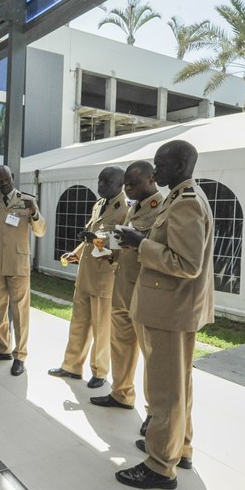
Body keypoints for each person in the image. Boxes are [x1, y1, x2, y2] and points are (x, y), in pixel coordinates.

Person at [114, 140, 214, 490]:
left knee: (165, 393)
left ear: (182, 165)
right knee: (177, 387)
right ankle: (178, 448)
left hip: (171, 310)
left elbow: (186, 264)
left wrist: (140, 244)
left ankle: (160, 465)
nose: (155, 173)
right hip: (172, 308)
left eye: (161, 165)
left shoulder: (186, 203)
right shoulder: (180, 198)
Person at [91, 161, 162, 423]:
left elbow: (156, 249)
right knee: (120, 346)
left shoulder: (162, 207)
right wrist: (106, 248)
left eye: (133, 184)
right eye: (126, 185)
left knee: (150, 357)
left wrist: (136, 242)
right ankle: (121, 393)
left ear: (151, 179)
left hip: (145, 291)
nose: (128, 189)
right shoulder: (135, 207)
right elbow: (126, 244)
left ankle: (154, 413)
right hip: (122, 285)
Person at [49, 166, 128, 388]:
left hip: (105, 279)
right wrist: (75, 253)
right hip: (85, 275)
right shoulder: (99, 204)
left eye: (106, 182)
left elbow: (122, 243)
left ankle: (100, 372)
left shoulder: (125, 210)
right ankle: (71, 366)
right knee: (79, 323)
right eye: (100, 180)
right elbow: (90, 236)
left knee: (102, 329)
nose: (100, 185)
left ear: (120, 185)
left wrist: (97, 240)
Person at [0, 165, 47, 377]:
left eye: (6, 179)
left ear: (12, 177)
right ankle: (3, 347)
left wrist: (34, 212)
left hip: (17, 265)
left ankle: (20, 355)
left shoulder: (27, 200)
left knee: (20, 312)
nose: (3, 183)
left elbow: (41, 231)